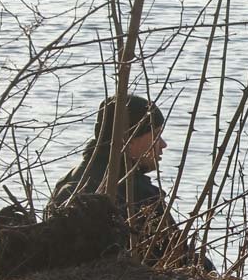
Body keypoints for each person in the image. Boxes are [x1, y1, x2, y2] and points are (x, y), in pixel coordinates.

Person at [46, 93, 197, 266]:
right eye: (155, 135)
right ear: (128, 140)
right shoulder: (139, 193)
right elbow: (179, 256)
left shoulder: (68, 181)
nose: (163, 145)